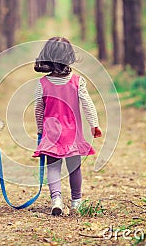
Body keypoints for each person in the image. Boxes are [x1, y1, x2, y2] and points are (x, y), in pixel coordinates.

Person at [32, 37, 102, 215]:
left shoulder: (42, 84)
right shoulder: (78, 81)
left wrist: (40, 130)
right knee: (75, 168)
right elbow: (88, 104)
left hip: (52, 134)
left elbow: (39, 110)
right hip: (73, 135)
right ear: (69, 56)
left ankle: (56, 200)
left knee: (53, 167)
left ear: (47, 56)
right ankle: (76, 203)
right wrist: (95, 124)